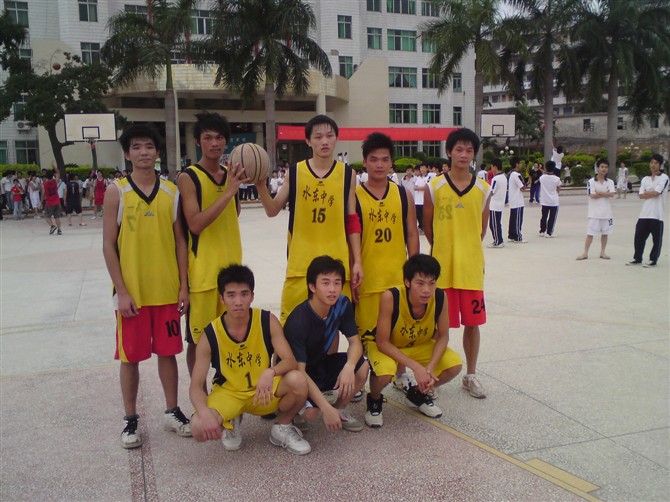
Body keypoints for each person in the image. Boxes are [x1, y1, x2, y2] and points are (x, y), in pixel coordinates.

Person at [102, 124, 191, 449]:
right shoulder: (117, 191)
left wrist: (183, 286)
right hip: (133, 295)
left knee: (168, 354)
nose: (143, 152)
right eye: (137, 147)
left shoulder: (171, 191)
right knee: (130, 358)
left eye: (149, 146)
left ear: (157, 151)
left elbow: (180, 241)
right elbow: (108, 245)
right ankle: (130, 419)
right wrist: (122, 291)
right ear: (127, 153)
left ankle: (172, 411)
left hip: (166, 290)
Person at [189, 265, 311, 455]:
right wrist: (205, 415)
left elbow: (290, 361)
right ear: (222, 299)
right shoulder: (211, 334)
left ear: (252, 296)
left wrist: (271, 371)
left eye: (244, 294)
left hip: (263, 390)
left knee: (299, 381)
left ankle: (283, 426)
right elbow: (196, 386)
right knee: (197, 428)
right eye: (231, 295)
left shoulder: (266, 321)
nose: (238, 301)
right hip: (230, 393)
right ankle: (231, 420)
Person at [255, 115, 362, 323]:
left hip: (335, 267)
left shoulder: (347, 174)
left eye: (330, 136)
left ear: (337, 138)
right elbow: (272, 210)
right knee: (293, 329)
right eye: (318, 137)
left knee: (330, 331)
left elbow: (352, 220)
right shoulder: (295, 172)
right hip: (300, 265)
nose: (324, 141)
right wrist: (261, 187)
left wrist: (357, 261)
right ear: (308, 141)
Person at [423, 128, 491, 398]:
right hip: (442, 269)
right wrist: (443, 250)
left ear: (474, 154)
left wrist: (466, 251)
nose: (464, 155)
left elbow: (481, 231)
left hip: (471, 267)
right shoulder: (434, 187)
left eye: (469, 150)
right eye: (459, 149)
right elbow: (428, 228)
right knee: (437, 327)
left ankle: (470, 375)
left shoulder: (484, 189)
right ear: (449, 152)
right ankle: (432, 375)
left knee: (472, 323)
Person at [177, 111, 245, 376]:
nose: (214, 143)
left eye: (219, 137)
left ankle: (226, 386)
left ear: (226, 141)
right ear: (198, 141)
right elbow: (195, 224)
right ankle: (198, 392)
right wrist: (228, 192)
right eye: (207, 138)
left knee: (231, 335)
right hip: (203, 274)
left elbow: (233, 214)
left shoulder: (231, 175)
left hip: (232, 270)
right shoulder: (189, 177)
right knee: (198, 340)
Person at [365, 254, 462, 427]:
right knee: (385, 374)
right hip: (388, 346)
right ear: (407, 282)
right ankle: (374, 400)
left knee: (454, 365)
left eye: (432, 283)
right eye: (420, 283)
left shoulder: (440, 297)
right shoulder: (391, 297)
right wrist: (416, 367)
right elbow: (382, 342)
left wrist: (430, 368)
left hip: (419, 344)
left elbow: (443, 335)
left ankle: (417, 394)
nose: (427, 290)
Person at [354, 133, 419, 388]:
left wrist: (414, 271)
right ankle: (360, 378)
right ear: (364, 162)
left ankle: (401, 375)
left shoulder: (403, 195)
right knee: (364, 335)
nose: (379, 165)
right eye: (373, 159)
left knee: (397, 332)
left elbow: (412, 233)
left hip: (396, 278)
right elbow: (351, 238)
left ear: (391, 162)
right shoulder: (355, 196)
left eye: (384, 159)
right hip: (368, 279)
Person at [283, 256, 369, 432]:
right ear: (312, 286)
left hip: (320, 364)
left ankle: (339, 409)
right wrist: (325, 408)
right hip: (296, 374)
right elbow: (299, 370)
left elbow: (355, 343)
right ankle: (295, 412)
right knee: (311, 414)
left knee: (362, 367)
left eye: (337, 283)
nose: (332, 289)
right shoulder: (298, 321)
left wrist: (349, 367)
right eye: (326, 283)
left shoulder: (342, 304)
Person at [626, 154, 668, 267]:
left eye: (656, 163)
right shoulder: (645, 179)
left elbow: (657, 193)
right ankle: (637, 258)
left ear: (660, 165)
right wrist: (651, 193)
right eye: (652, 162)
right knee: (639, 237)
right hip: (644, 214)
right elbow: (641, 195)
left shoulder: (664, 178)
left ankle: (653, 259)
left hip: (657, 214)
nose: (653, 165)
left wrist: (648, 193)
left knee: (656, 239)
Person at [577, 159, 615, 260]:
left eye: (606, 167)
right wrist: (606, 194)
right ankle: (585, 253)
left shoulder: (610, 182)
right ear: (598, 168)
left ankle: (602, 252)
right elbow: (592, 195)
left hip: (606, 213)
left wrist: (600, 193)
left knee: (605, 233)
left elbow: (612, 194)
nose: (604, 169)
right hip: (594, 213)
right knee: (590, 233)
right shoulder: (591, 181)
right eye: (602, 167)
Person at [539, 162, 562, 237]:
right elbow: (558, 189)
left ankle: (542, 231)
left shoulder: (542, 177)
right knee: (552, 217)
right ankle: (549, 232)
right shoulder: (557, 179)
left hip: (544, 200)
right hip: (554, 201)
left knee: (544, 216)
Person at [488, 159, 507, 248]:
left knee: (493, 224)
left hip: (494, 205)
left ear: (495, 167)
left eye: (492, 167)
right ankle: (499, 240)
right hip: (500, 204)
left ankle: (498, 241)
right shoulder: (504, 177)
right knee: (497, 223)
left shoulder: (496, 178)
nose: (491, 169)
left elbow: (492, 191)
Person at [507, 157, 527, 243]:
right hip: (518, 201)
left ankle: (511, 235)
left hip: (513, 200)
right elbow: (523, 187)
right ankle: (518, 237)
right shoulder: (517, 175)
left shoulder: (511, 174)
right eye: (520, 163)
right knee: (518, 219)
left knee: (513, 219)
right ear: (517, 164)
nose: (521, 165)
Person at [42, 171, 62, 235]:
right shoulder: (55, 181)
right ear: (52, 175)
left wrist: (41, 201)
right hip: (57, 201)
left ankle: (52, 226)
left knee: (46, 216)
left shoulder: (45, 184)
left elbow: (43, 194)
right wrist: (55, 167)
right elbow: (58, 173)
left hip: (49, 202)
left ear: (46, 176)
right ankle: (59, 230)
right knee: (57, 217)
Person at [413, 164, 429, 233]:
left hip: (424, 200)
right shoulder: (418, 178)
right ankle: (421, 227)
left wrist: (419, 188)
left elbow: (426, 188)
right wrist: (420, 188)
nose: (422, 169)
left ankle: (424, 228)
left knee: (424, 215)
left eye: (423, 168)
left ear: (426, 169)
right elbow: (415, 187)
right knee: (418, 215)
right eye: (421, 168)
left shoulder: (428, 177)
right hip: (417, 200)